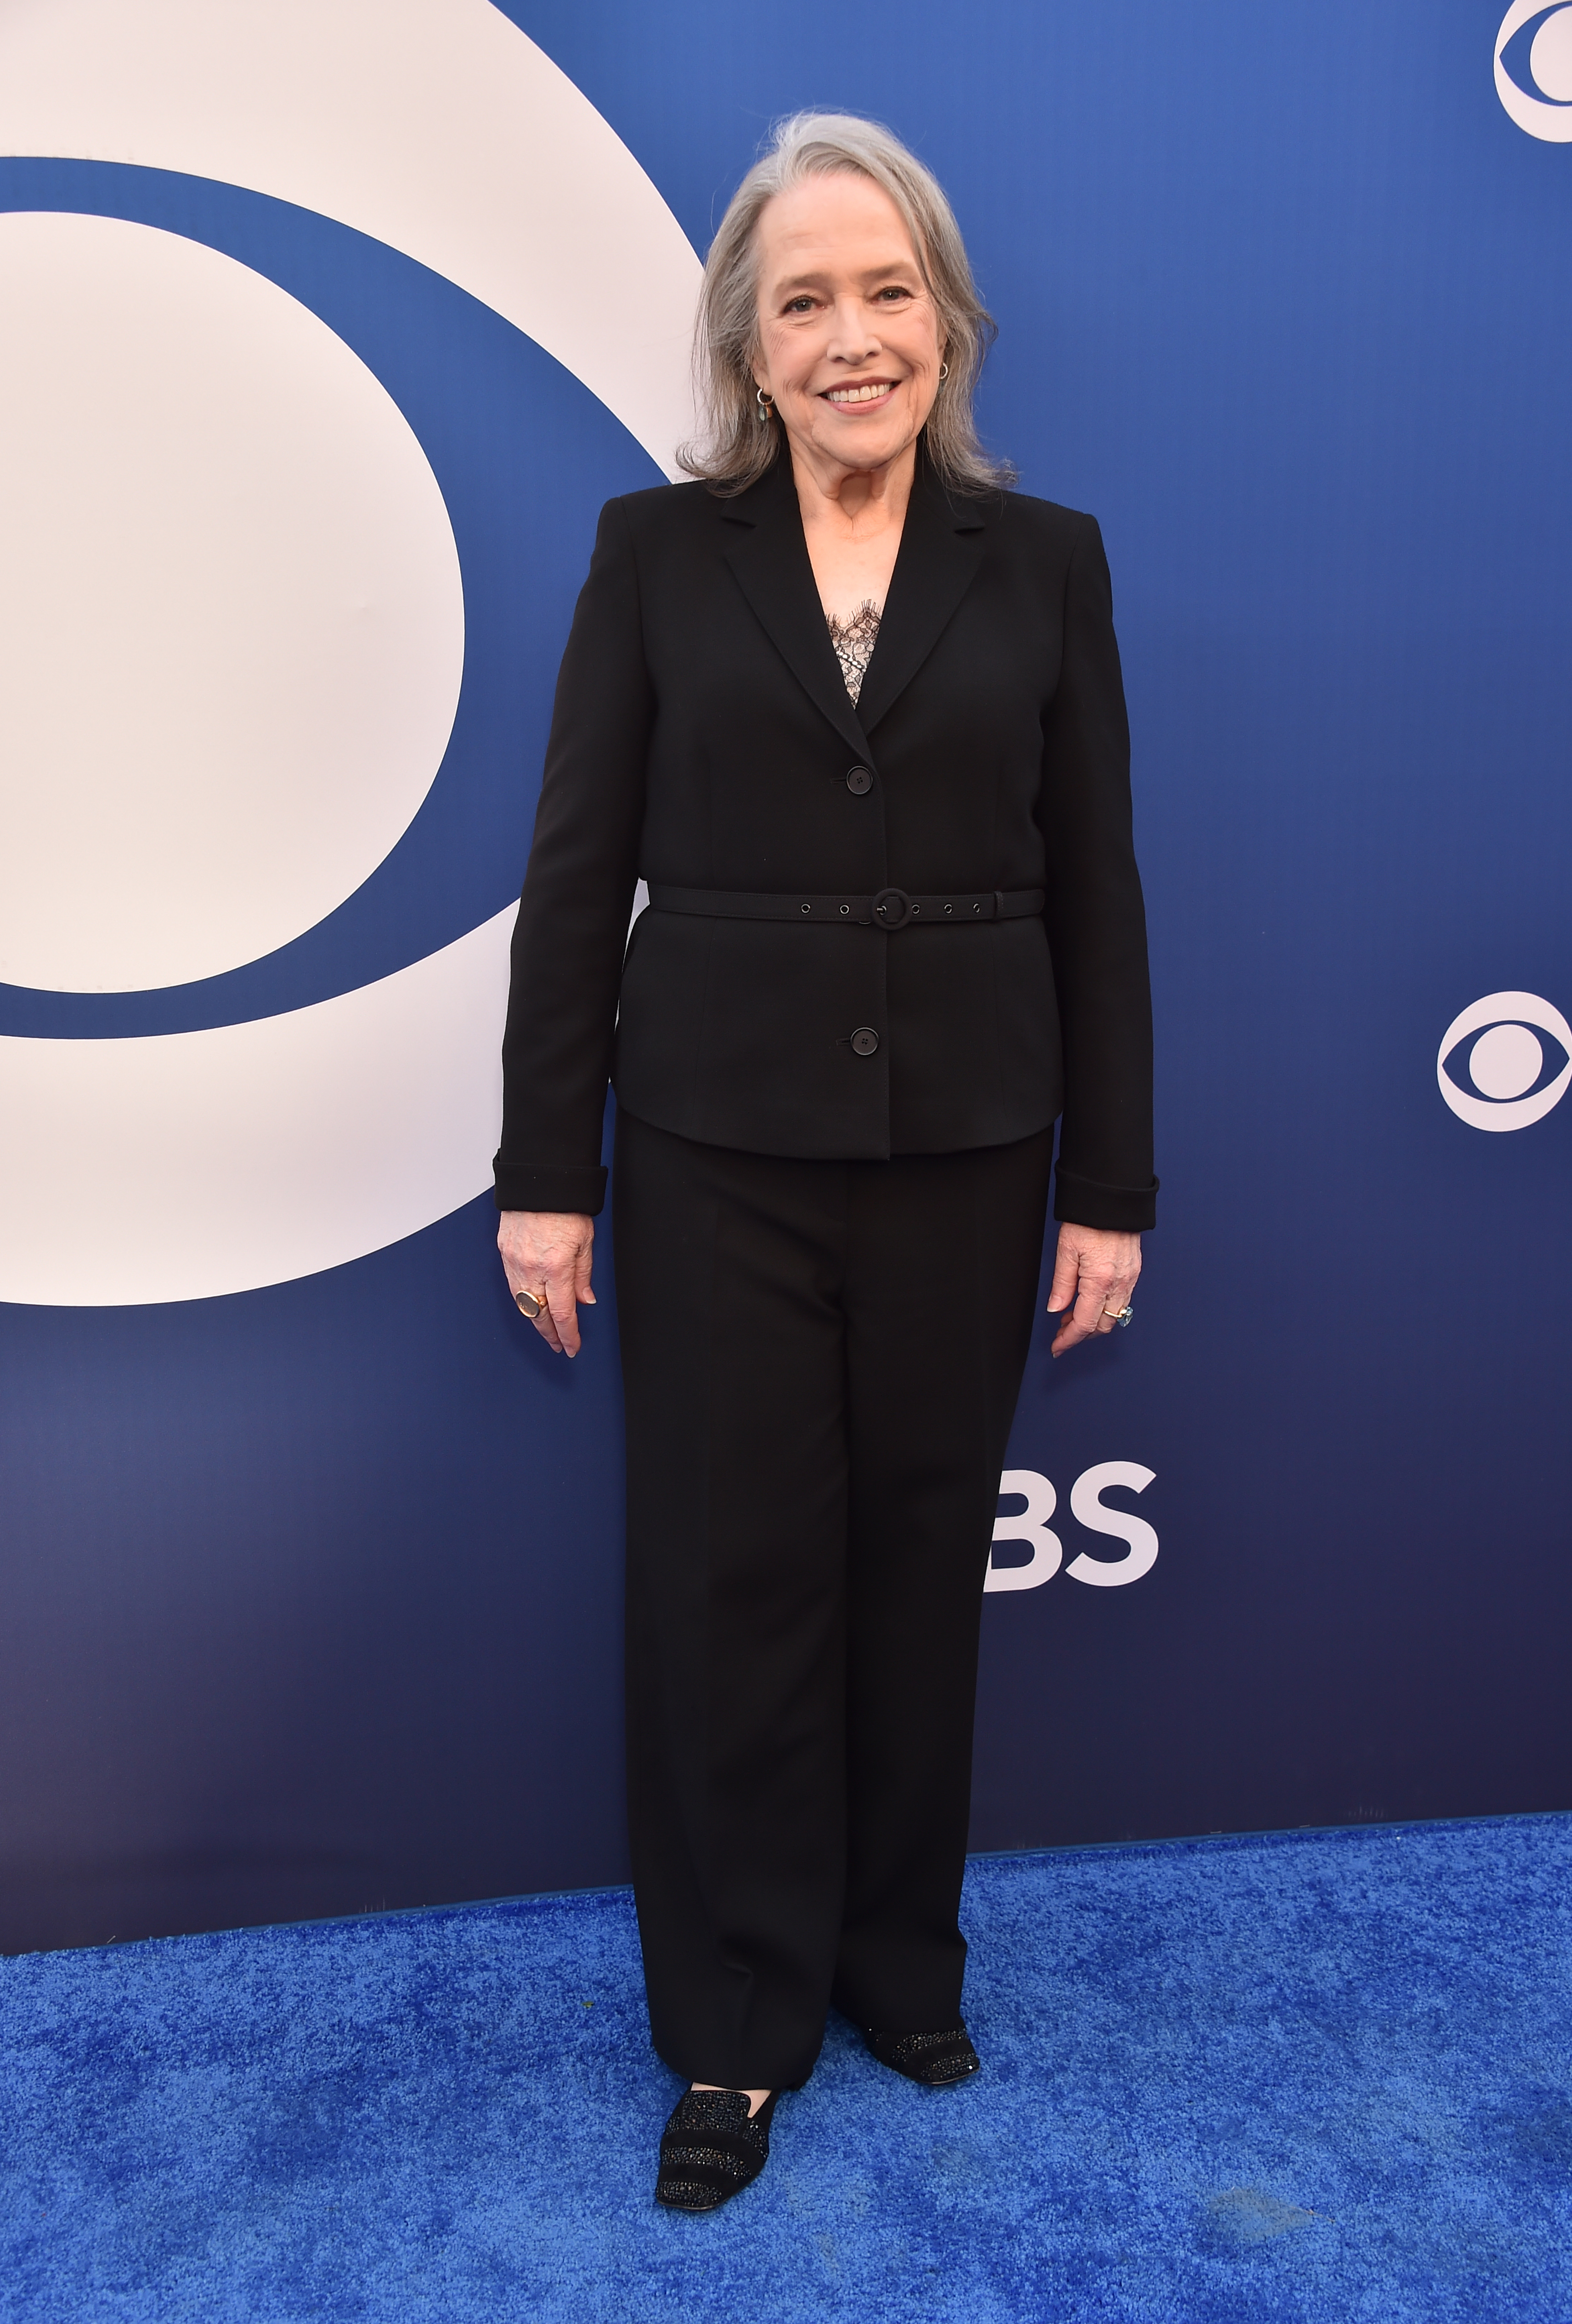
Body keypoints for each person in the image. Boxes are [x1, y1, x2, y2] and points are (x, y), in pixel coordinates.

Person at [493, 111, 1155, 2211]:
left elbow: (1097, 893)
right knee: (730, 1593)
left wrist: (1109, 1183)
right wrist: (547, 1172)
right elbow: (576, 870)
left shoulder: (1042, 562)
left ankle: (892, 1960)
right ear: (747, 347)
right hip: (712, 1157)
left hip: (973, 1146)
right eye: (806, 302)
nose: (851, 335)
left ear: (944, 326)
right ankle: (734, 2028)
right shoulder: (650, 555)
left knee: (908, 1582)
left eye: (887, 293)